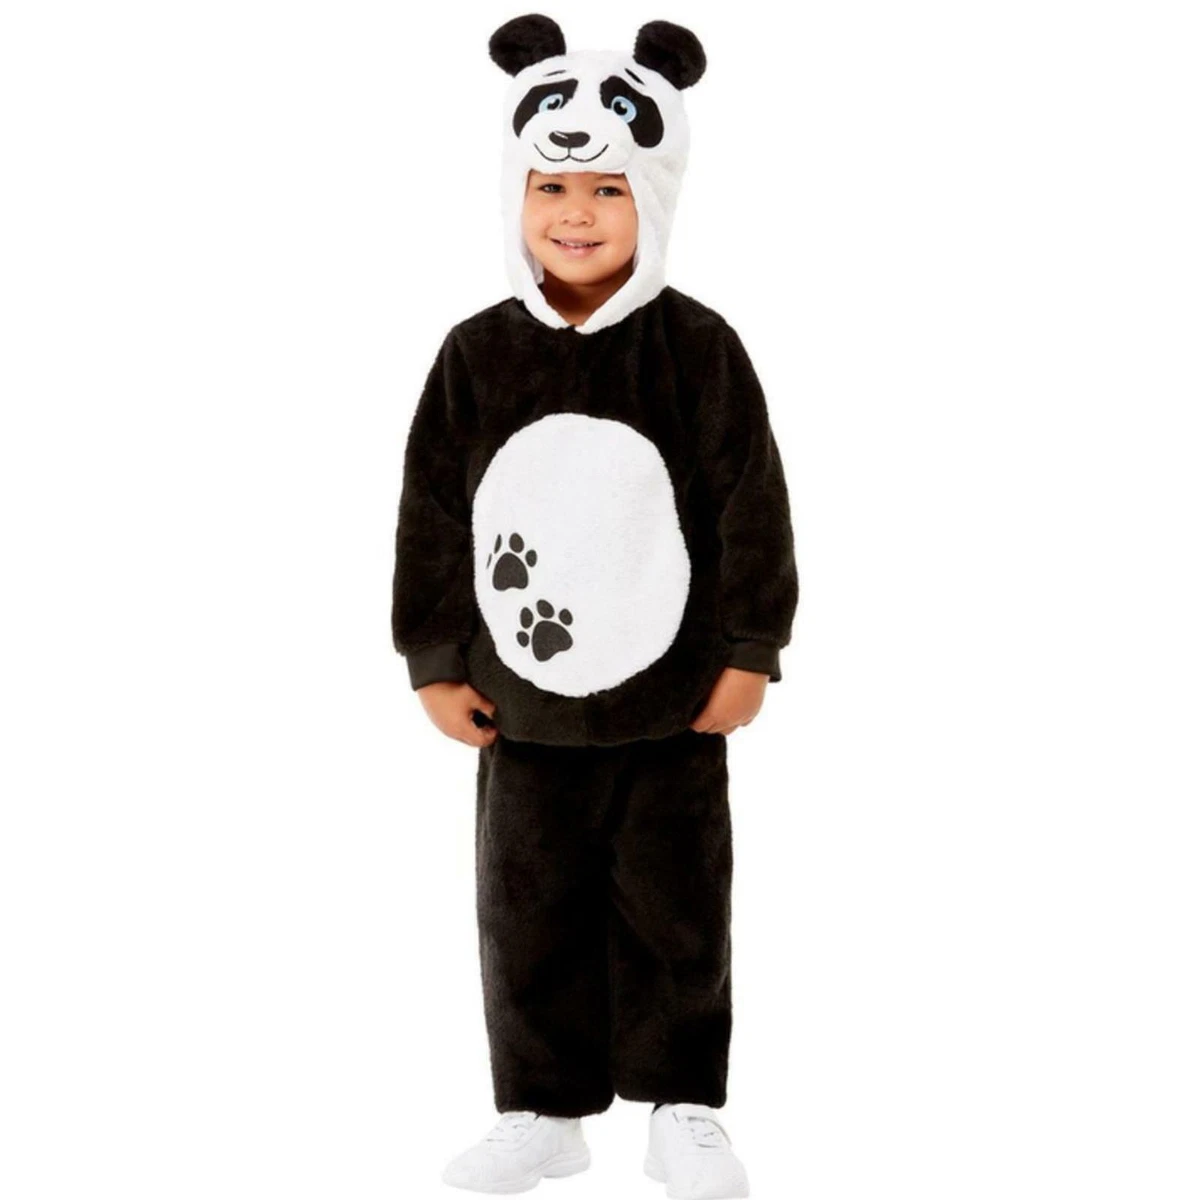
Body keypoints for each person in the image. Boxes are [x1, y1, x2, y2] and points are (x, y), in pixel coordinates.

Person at [391, 16, 799, 1199]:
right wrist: (433, 656)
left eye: (608, 189)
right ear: (516, 195)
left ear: (653, 198)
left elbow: (751, 503)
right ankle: (542, 1108)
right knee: (526, 912)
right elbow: (431, 512)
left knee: (680, 910)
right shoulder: (475, 355)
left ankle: (684, 1106)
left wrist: (752, 650)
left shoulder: (699, 349)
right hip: (520, 711)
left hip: (673, 704)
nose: (576, 212)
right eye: (551, 186)